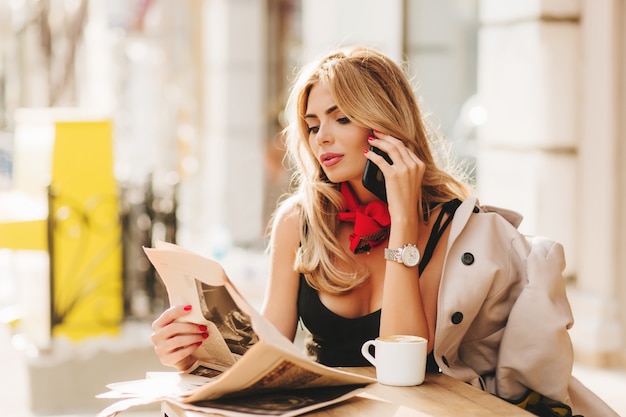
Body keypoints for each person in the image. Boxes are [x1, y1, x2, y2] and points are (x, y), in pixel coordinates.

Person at [150, 45, 618, 417]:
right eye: (313, 125)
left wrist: (405, 226)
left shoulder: (450, 228)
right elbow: (271, 350)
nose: (322, 138)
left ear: (385, 125)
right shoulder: (300, 221)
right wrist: (194, 354)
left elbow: (403, 365)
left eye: (342, 118)